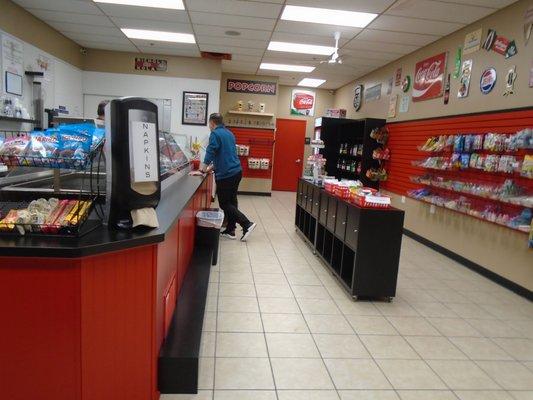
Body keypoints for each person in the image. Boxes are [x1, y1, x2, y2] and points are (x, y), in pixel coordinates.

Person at [202, 113, 256, 241]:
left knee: (225, 203)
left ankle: (246, 224)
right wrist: (211, 168)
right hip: (236, 172)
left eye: (209, 124)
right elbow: (225, 155)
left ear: (212, 123)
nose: (209, 127)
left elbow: (211, 151)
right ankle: (231, 230)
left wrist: (203, 169)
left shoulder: (215, 134)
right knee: (232, 201)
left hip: (226, 175)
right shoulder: (229, 133)